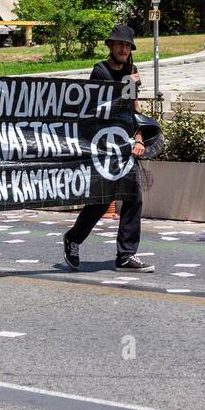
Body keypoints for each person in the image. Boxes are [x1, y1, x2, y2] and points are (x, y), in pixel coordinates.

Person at [62, 23, 157, 274]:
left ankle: (126, 255)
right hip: (104, 145)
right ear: (111, 46)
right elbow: (103, 109)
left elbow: (133, 110)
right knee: (101, 201)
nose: (124, 49)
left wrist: (138, 139)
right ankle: (73, 238)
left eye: (127, 45)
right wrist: (126, 85)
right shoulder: (100, 72)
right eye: (119, 45)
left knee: (134, 198)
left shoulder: (132, 71)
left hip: (127, 146)